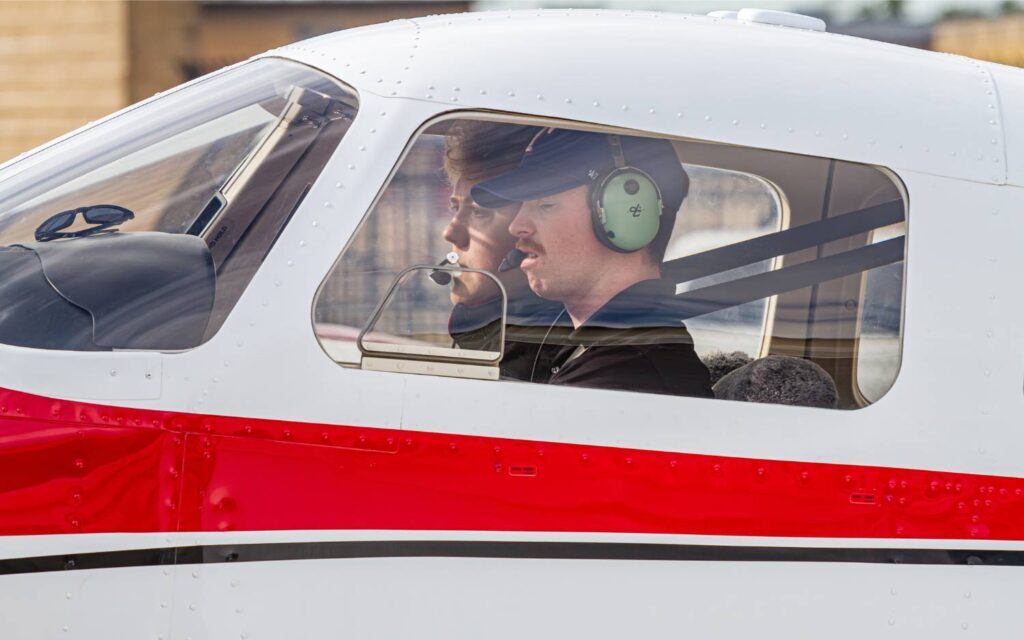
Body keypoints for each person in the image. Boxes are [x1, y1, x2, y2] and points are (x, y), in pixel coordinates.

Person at [471, 128, 713, 398]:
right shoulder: (587, 350)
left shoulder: (627, 381)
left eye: (545, 205)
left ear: (628, 215)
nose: (517, 226)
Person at [439, 121, 562, 379]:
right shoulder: (495, 342)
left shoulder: (543, 363)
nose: (450, 233)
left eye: (479, 212)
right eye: (455, 208)